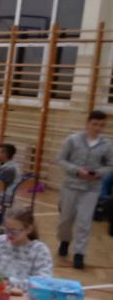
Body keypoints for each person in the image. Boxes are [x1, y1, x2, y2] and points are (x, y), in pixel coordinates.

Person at [57, 110, 113, 269]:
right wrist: (76, 170)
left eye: (101, 125)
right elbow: (61, 159)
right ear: (88, 123)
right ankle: (65, 240)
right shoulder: (72, 140)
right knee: (66, 219)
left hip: (91, 189)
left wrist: (98, 173)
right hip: (71, 186)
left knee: (84, 221)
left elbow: (110, 165)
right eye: (95, 124)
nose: (98, 128)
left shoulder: (107, 145)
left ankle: (79, 253)